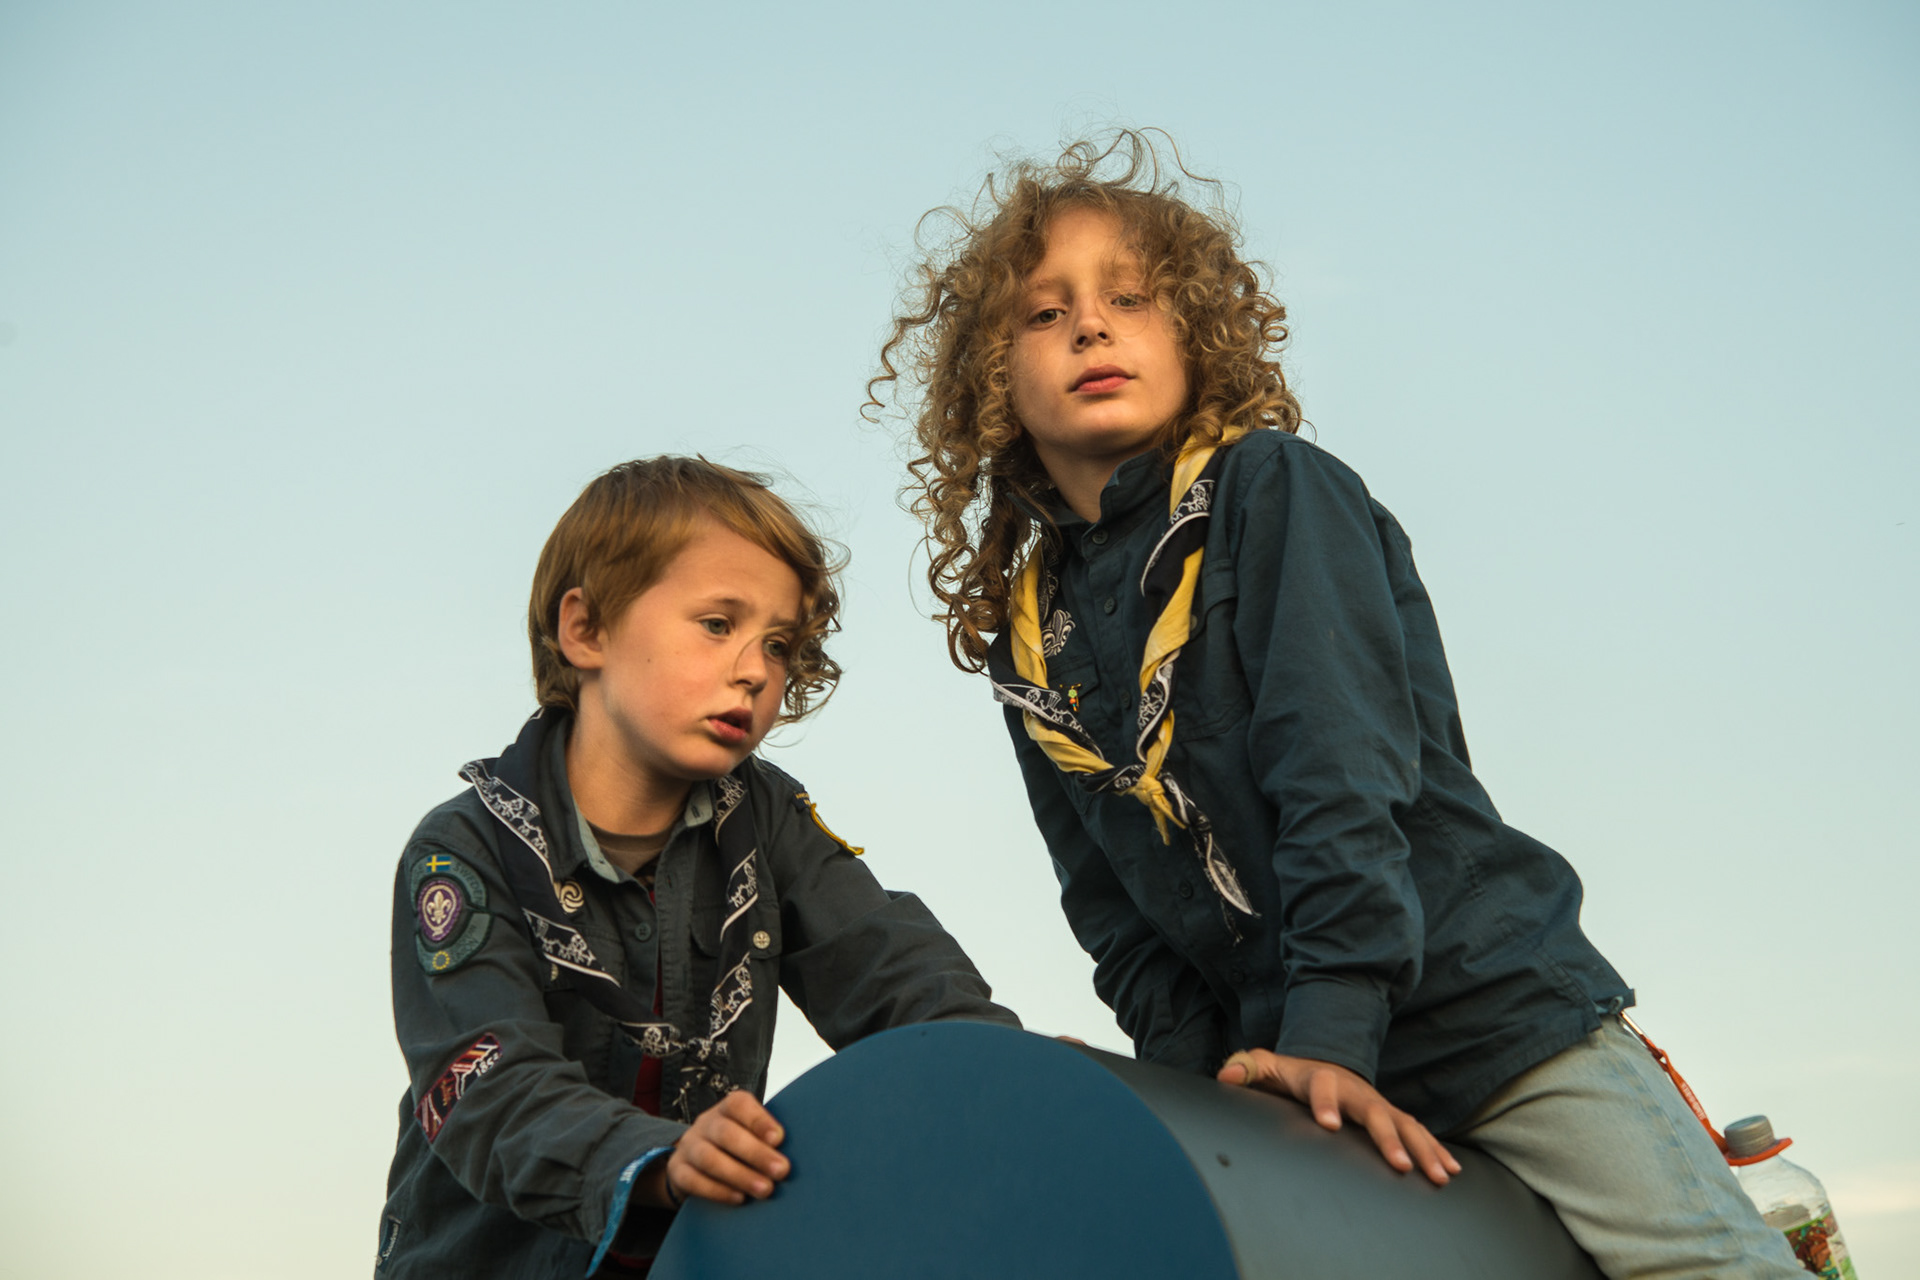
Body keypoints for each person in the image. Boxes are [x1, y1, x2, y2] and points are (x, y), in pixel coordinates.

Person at [870, 132, 1803, 1278]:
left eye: (1130, 297)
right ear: (990, 379)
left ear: (1197, 335)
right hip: (1286, 1075)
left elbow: (1341, 775)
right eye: (1044, 311)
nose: (1092, 327)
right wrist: (1195, 1103)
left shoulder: (1271, 488)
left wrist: (1333, 1033)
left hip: (1485, 1019)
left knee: (1711, 1266)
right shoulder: (1028, 634)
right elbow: (1115, 918)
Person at [376, 457, 1019, 1278]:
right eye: (718, 624)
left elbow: (893, 972)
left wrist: (1014, 1073)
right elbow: (491, 1093)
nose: (755, 669)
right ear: (586, 630)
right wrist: (658, 1158)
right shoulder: (464, 850)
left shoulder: (766, 818)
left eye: (779, 644)